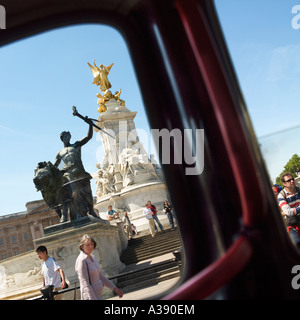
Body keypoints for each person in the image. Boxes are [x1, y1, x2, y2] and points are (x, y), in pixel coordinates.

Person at [53, 122, 98, 221]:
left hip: (80, 171)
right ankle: (77, 212)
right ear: (62, 139)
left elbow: (88, 137)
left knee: (87, 190)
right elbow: (55, 167)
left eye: (68, 136)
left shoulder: (76, 145)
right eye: (65, 136)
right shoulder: (60, 153)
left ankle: (91, 209)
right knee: (74, 191)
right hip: (69, 173)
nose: (67, 138)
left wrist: (90, 125)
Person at [75, 234, 123, 300]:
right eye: (87, 245)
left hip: (99, 295)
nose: (90, 246)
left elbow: (101, 276)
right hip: (90, 297)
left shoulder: (92, 257)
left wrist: (115, 288)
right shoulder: (82, 260)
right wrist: (93, 298)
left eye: (92, 244)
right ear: (82, 246)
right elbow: (84, 283)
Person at [277, 172, 300, 247]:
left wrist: (294, 210)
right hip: (293, 226)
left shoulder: (299, 190)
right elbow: (288, 212)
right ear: (284, 184)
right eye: (289, 180)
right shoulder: (281, 196)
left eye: (292, 179)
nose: (292, 181)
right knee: (297, 245)